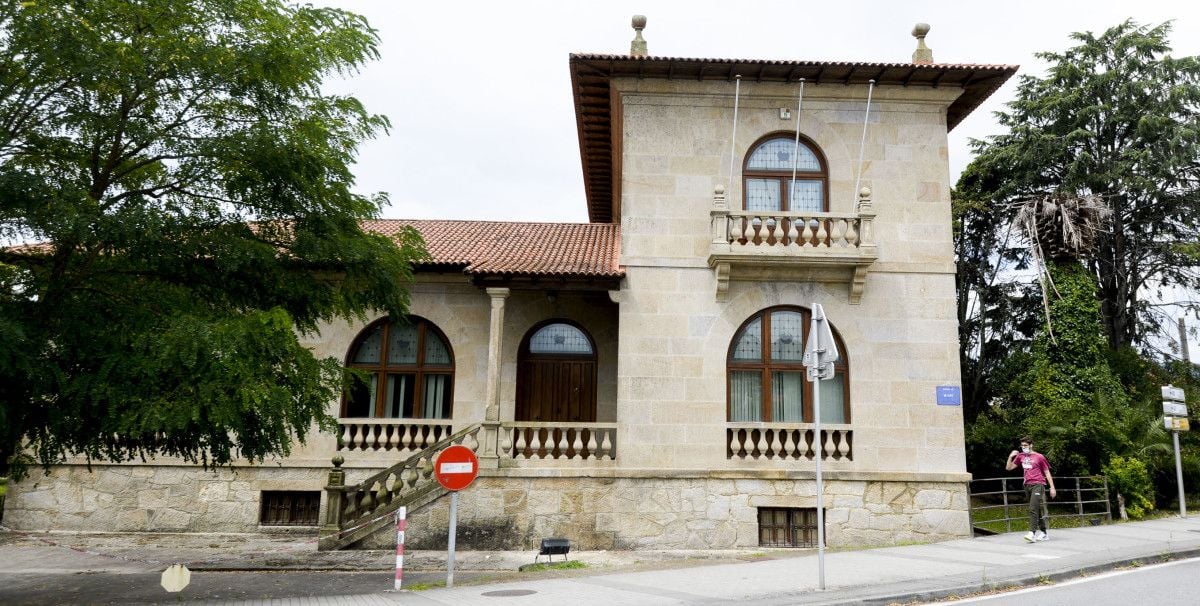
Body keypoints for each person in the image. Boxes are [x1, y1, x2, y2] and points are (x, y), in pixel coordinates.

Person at [1005, 436, 1056, 542]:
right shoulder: (1021, 456)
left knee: (1033, 508)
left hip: (1038, 484)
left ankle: (1032, 533)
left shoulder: (1039, 457)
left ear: (1031, 445)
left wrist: (1052, 487)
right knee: (1035, 508)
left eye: (1026, 445)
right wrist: (1010, 457)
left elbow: (1047, 472)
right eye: (1022, 445)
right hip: (1027, 485)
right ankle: (1044, 532)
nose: (1024, 447)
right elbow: (1008, 468)